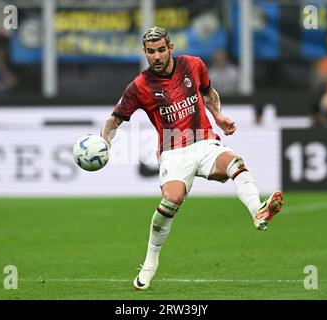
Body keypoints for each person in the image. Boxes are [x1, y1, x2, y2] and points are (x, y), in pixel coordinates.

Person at [100, 27, 284, 290]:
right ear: (145, 53)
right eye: (151, 52)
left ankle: (258, 212)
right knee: (171, 200)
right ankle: (150, 262)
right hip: (173, 152)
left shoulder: (194, 65)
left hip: (205, 140)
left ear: (171, 48)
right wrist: (106, 139)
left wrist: (218, 116)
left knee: (236, 163)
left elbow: (209, 93)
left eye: (161, 50)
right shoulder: (140, 86)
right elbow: (114, 119)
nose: (157, 56)